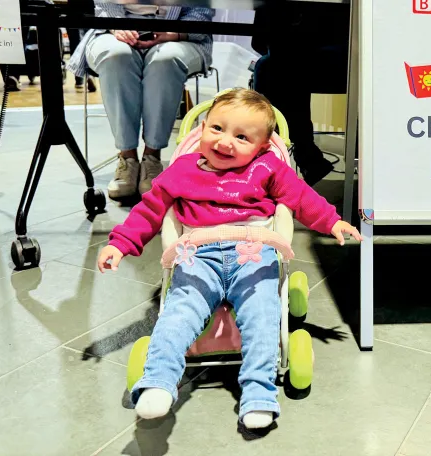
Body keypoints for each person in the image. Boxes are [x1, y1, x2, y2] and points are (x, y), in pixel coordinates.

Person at [96, 89, 362, 429]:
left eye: (242, 137)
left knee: (261, 314)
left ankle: (259, 392)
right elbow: (150, 210)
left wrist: (332, 221)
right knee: (180, 311)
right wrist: (120, 243)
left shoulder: (268, 167)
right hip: (196, 254)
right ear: (202, 128)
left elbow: (301, 197)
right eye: (217, 129)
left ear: (262, 146)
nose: (225, 142)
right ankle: (159, 381)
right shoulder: (182, 169)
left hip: (254, 251)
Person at [68, 4, 214, 200]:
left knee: (166, 60)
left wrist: (173, 33)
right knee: (116, 55)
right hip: (116, 28)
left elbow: (201, 10)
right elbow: (105, 4)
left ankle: (152, 157)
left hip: (180, 32)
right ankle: (127, 157)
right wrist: (118, 26)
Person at [251, 2, 350, 186]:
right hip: (301, 57)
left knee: (278, 65)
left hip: (349, 54)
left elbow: (260, 41)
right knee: (277, 64)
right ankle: (295, 156)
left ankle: (280, 157)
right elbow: (260, 40)